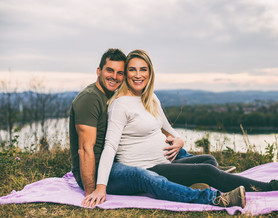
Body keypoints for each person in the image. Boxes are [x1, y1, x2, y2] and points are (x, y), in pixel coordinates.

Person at [83, 49, 278, 207]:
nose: (138, 75)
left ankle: (214, 178)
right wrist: (100, 187)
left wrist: (178, 140)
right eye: (132, 70)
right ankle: (270, 187)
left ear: (150, 72)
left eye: (143, 69)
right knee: (207, 170)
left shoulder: (150, 99)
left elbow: (169, 130)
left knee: (209, 160)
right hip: (148, 169)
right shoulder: (121, 104)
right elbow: (110, 147)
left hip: (164, 162)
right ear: (126, 74)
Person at [70, 48, 245, 209]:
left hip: (121, 162)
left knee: (207, 162)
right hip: (101, 169)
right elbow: (86, 149)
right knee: (144, 176)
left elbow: (162, 127)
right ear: (99, 71)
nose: (114, 76)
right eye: (109, 71)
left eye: (120, 73)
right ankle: (212, 197)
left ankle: (206, 176)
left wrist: (178, 140)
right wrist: (94, 190)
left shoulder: (116, 94)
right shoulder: (90, 99)